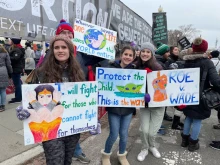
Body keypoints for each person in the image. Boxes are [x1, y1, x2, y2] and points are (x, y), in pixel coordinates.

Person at [16, 35, 85, 165]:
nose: (60, 50)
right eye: (56, 47)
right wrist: (24, 109)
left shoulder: (78, 73)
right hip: (50, 130)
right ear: (52, 50)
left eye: (64, 47)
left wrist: (91, 121)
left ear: (70, 50)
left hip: (71, 129)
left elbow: (83, 101)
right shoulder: (41, 73)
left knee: (67, 161)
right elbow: (32, 100)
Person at [101, 45, 145, 165]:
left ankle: (122, 155)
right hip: (113, 108)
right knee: (114, 134)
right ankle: (106, 155)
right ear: (121, 55)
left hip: (128, 109)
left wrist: (142, 96)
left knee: (124, 134)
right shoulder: (110, 68)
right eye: (126, 54)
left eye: (131, 55)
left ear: (134, 57)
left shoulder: (136, 71)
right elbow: (103, 85)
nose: (128, 57)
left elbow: (138, 89)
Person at [181, 37, 220, 152]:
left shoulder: (187, 61)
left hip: (187, 94)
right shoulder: (207, 62)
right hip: (201, 95)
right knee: (197, 119)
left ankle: (184, 141)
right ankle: (193, 143)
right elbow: (215, 81)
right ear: (205, 49)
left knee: (188, 116)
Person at [135, 42, 165, 162]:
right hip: (144, 105)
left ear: (152, 54)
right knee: (144, 130)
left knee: (152, 132)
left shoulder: (158, 67)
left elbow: (164, 85)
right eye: (143, 51)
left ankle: (152, 146)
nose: (145, 54)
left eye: (148, 52)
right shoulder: (136, 66)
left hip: (158, 105)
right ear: (140, 52)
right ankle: (144, 148)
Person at [155, 42, 173, 122]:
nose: (169, 54)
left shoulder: (164, 61)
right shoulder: (159, 63)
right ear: (162, 53)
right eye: (167, 52)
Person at [8, 38, 25, 104]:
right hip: (16, 68)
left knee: (17, 84)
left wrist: (8, 57)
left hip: (16, 69)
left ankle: (18, 98)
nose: (9, 41)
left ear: (13, 42)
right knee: (17, 83)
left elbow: (16, 58)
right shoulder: (16, 49)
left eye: (10, 40)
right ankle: (18, 97)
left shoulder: (17, 50)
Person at [0, 44, 13, 112]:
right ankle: (2, 106)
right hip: (3, 71)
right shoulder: (5, 53)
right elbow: (8, 64)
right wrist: (10, 73)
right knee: (3, 90)